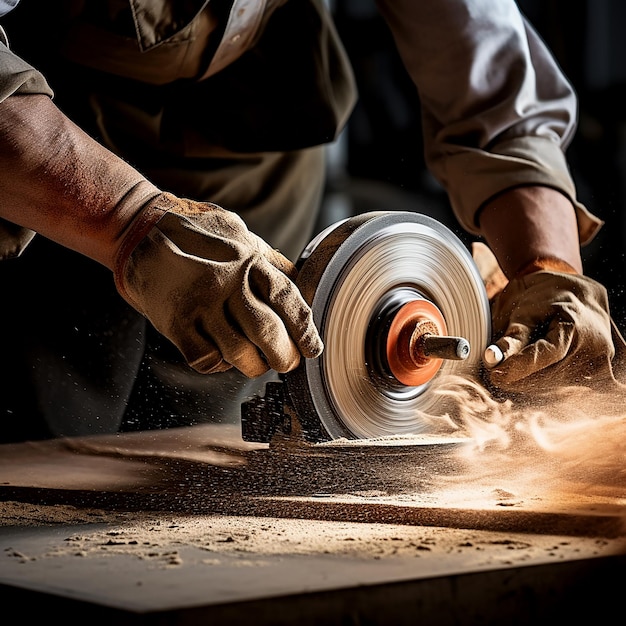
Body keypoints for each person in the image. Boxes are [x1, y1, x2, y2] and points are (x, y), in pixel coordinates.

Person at [0, 0, 622, 444]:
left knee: (217, 411)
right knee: (47, 429)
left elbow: (493, 90)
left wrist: (551, 270)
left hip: (250, 128)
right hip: (45, 137)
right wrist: (125, 217)